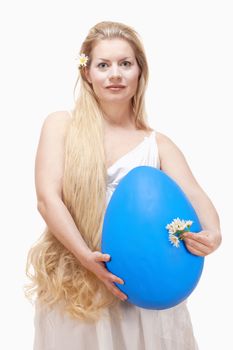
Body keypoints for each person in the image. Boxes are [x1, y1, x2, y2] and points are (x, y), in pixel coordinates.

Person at [25, 21, 222, 350]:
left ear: (139, 72)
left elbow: (196, 196)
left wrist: (213, 234)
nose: (114, 74)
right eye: (103, 65)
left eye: (125, 64)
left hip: (142, 288)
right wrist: (88, 258)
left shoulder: (158, 144)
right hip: (78, 285)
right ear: (87, 73)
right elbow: (47, 199)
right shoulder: (61, 125)